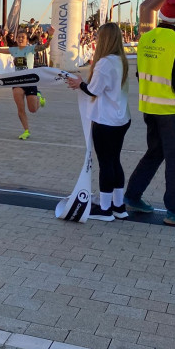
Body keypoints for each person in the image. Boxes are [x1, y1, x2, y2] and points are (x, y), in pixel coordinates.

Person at [124, 0, 175, 225]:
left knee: (154, 153)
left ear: (161, 16)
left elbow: (139, 73)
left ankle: (132, 196)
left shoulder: (145, 38)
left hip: (149, 107)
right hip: (170, 111)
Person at [65, 23, 132, 221]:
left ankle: (105, 209)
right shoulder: (122, 60)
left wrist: (79, 84)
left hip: (106, 120)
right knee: (115, 160)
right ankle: (118, 206)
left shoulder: (104, 63)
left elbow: (93, 90)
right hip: (121, 118)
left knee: (106, 163)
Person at [0, 29, 47, 140]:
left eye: (22, 37)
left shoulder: (31, 49)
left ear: (27, 39)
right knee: (20, 107)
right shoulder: (13, 50)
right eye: (18, 37)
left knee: (33, 109)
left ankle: (39, 97)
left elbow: (44, 47)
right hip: (18, 81)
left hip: (30, 81)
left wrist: (51, 35)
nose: (20, 39)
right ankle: (26, 131)